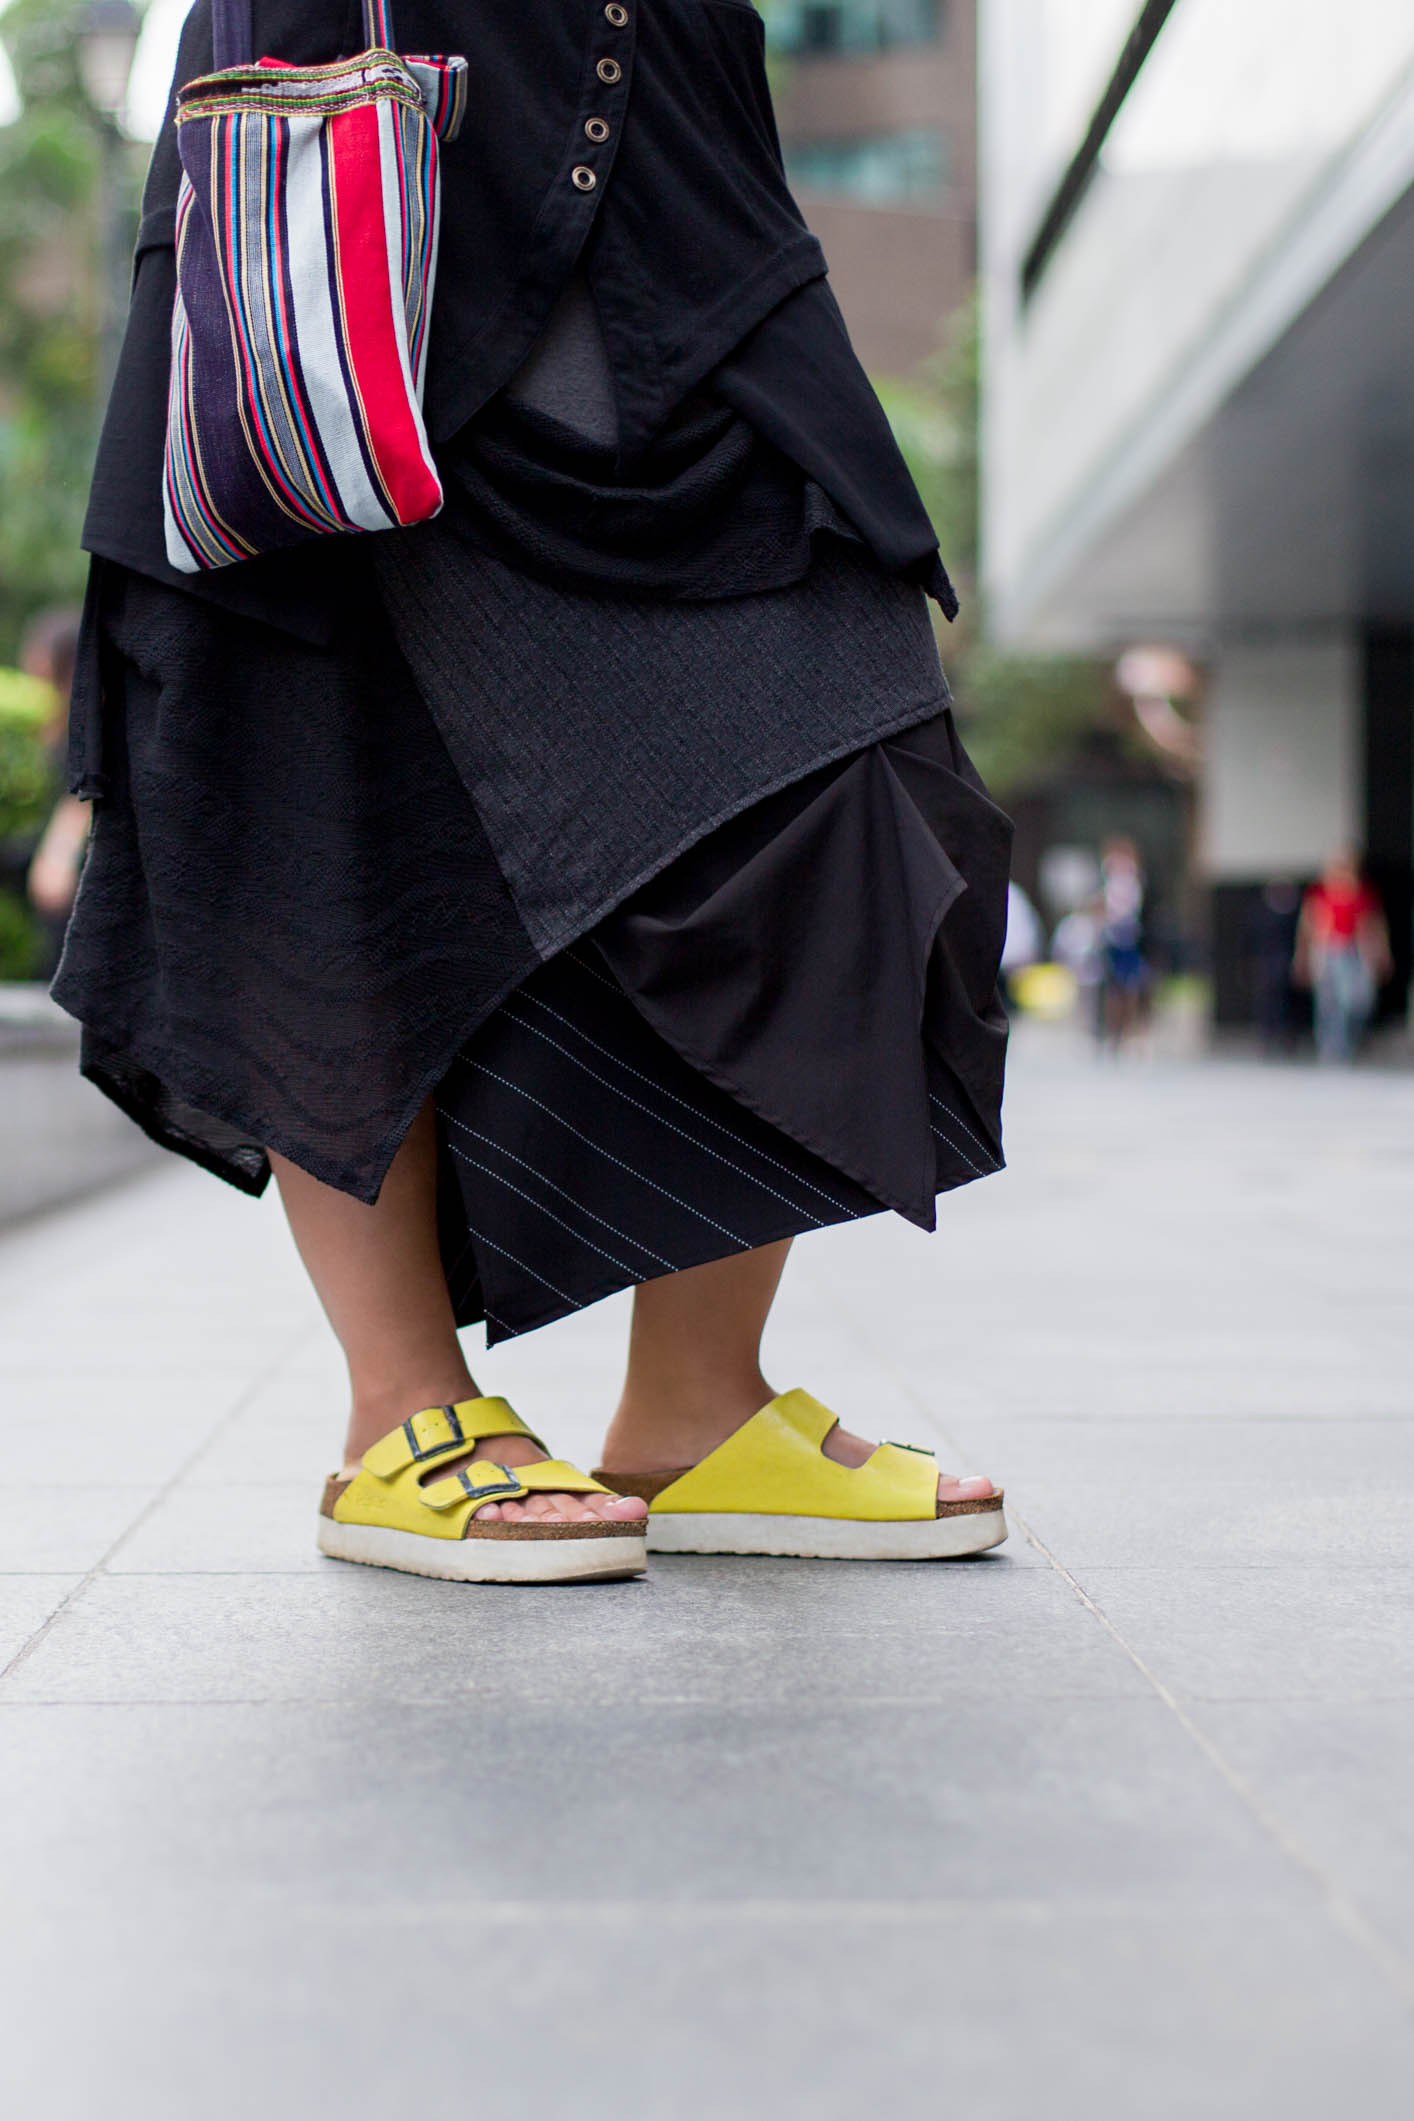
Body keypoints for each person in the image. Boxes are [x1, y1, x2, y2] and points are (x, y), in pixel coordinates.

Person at [53, 0, 1009, 1582]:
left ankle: (694, 1404)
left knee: (839, 755)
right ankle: (400, 1408)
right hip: (342, 171)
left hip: (688, 198)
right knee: (334, 778)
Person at [20, 609, 87, 979]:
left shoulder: (83, 718)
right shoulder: (60, 715)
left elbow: (79, 797)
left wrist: (58, 854)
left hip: (77, 854)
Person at [1295, 851, 1391, 1064]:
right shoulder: (1319, 894)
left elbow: (1375, 924)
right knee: (1328, 1001)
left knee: (1357, 999)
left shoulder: (1363, 894)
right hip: (1328, 950)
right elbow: (1307, 925)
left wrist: (1381, 953)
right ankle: (1331, 1046)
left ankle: (1349, 1040)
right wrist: (1302, 956)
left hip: (1355, 951)